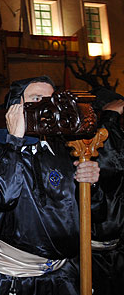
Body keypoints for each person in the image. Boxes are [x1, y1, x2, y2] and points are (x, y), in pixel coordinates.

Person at [0, 76, 103, 295]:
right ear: (16, 107)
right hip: (13, 277)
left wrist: (91, 185)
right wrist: (15, 140)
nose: (48, 107)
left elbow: (94, 214)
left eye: (52, 100)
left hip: (61, 274)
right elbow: (4, 195)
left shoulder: (66, 149)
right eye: (37, 99)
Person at [89, 87, 124, 295]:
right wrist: (109, 120)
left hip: (117, 246)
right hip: (95, 249)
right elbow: (109, 167)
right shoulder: (88, 140)